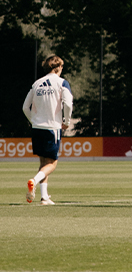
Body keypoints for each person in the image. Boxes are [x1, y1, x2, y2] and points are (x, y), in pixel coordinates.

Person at [22, 55, 73, 205]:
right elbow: (68, 104)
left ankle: (44, 197)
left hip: (37, 128)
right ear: (58, 68)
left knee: (44, 162)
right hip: (52, 127)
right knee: (52, 164)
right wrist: (67, 121)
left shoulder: (36, 84)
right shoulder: (62, 82)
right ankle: (34, 181)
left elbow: (25, 107)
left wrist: (33, 121)